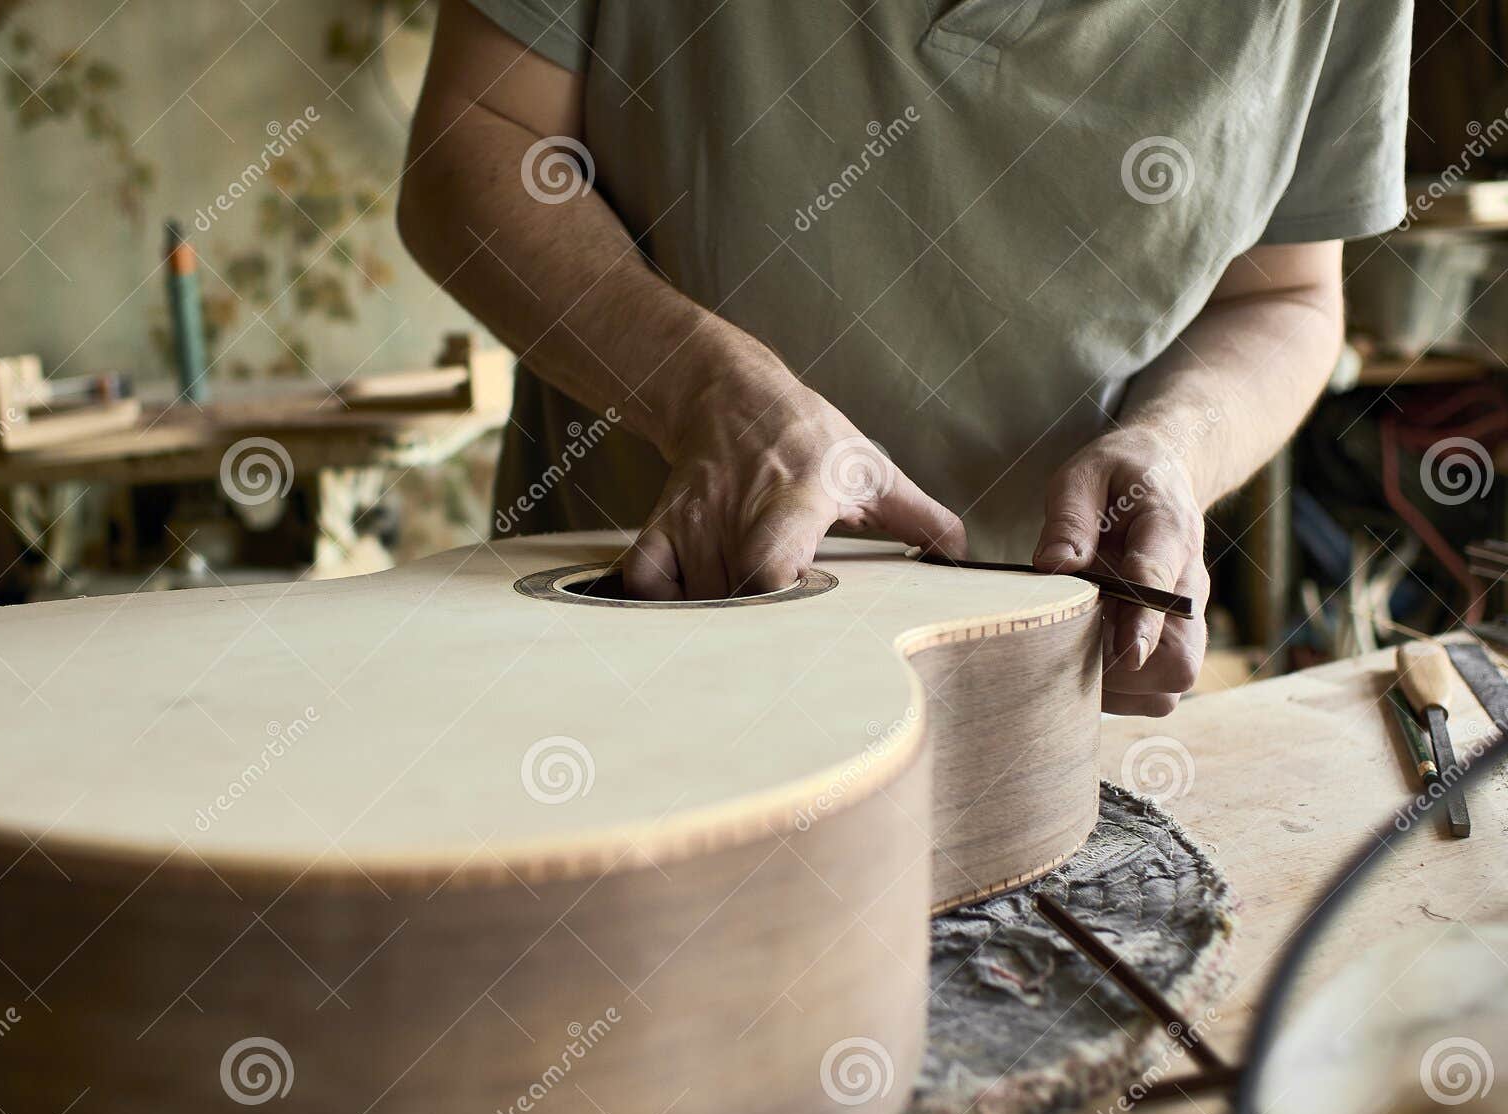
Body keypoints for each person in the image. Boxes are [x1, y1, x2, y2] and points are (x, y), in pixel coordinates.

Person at [397, 0, 1412, 715]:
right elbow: (473, 149)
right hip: (622, 642)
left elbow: (1284, 292)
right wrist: (712, 394)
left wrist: (1174, 452)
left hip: (1020, 689)